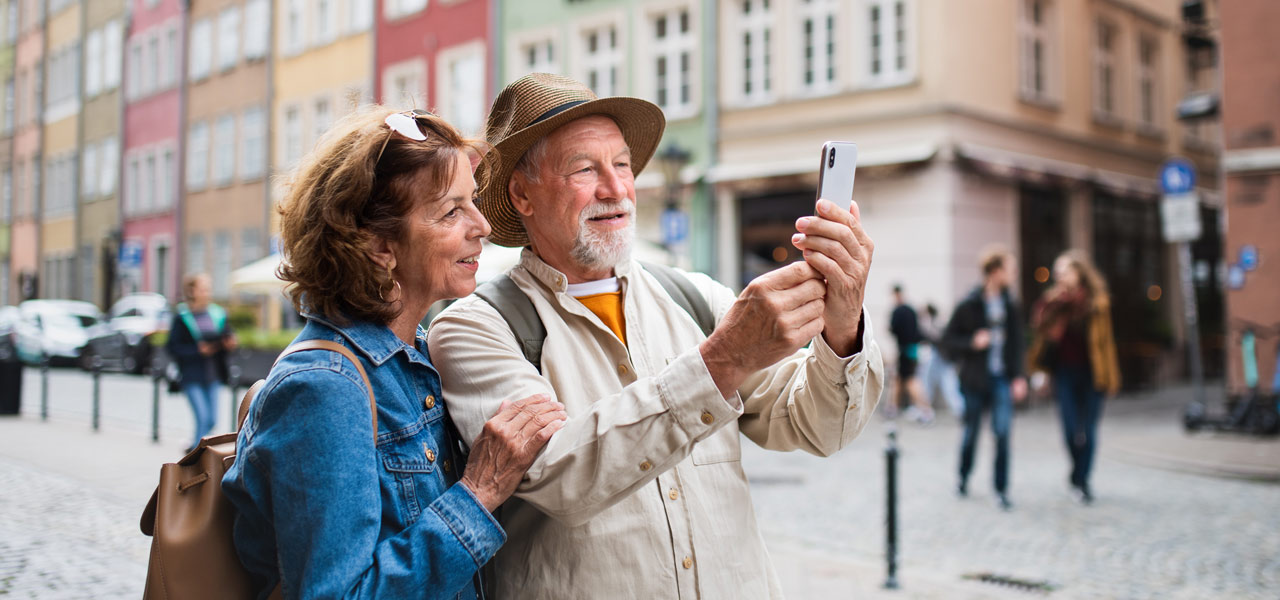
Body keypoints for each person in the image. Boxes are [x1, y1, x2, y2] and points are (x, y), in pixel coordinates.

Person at [428, 73, 884, 598]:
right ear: (522, 195)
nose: (616, 187)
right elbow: (560, 476)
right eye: (584, 169)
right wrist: (722, 361)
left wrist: (843, 321)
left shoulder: (694, 296)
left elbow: (820, 429)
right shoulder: (474, 327)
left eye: (622, 164)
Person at [221, 107, 568, 599]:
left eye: (473, 203)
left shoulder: (415, 352)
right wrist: (479, 494)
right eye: (452, 211)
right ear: (380, 245)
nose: (482, 226)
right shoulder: (325, 388)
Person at [1028, 250, 1120, 505]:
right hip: (1064, 373)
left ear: (1079, 272)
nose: (1060, 276)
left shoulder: (1097, 302)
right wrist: (1056, 303)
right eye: (1058, 272)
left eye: (1065, 270)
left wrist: (1112, 378)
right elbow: (1039, 328)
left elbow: (1106, 344)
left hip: (1093, 374)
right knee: (1070, 430)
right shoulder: (1054, 300)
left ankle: (1082, 480)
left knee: (1088, 432)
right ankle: (1076, 472)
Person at [942, 246, 1027, 511]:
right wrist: (972, 342)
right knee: (971, 433)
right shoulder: (970, 304)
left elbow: (1017, 344)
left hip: (1001, 378)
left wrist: (1019, 377)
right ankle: (963, 477)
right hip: (974, 380)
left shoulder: (1010, 305)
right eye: (1009, 269)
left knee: (1002, 433)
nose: (1013, 274)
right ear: (995, 271)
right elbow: (947, 342)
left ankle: (1001, 490)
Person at [166, 273, 237, 452]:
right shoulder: (182, 317)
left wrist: (229, 344)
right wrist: (197, 351)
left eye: (208, 289)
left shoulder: (218, 314)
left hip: (214, 374)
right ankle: (197, 460)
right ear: (192, 291)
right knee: (203, 417)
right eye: (203, 288)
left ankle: (194, 449)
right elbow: (172, 347)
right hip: (191, 375)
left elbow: (227, 338)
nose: (207, 292)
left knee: (212, 419)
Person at [889, 284, 933, 424]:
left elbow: (893, 329)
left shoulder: (898, 311)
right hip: (912, 348)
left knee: (910, 381)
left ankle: (926, 410)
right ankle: (892, 408)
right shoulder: (911, 310)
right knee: (899, 379)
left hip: (905, 349)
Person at [921, 303, 963, 418]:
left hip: (942, 357)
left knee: (949, 384)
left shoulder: (936, 323)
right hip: (939, 356)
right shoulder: (936, 323)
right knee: (928, 383)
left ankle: (960, 410)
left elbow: (939, 339)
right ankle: (924, 409)